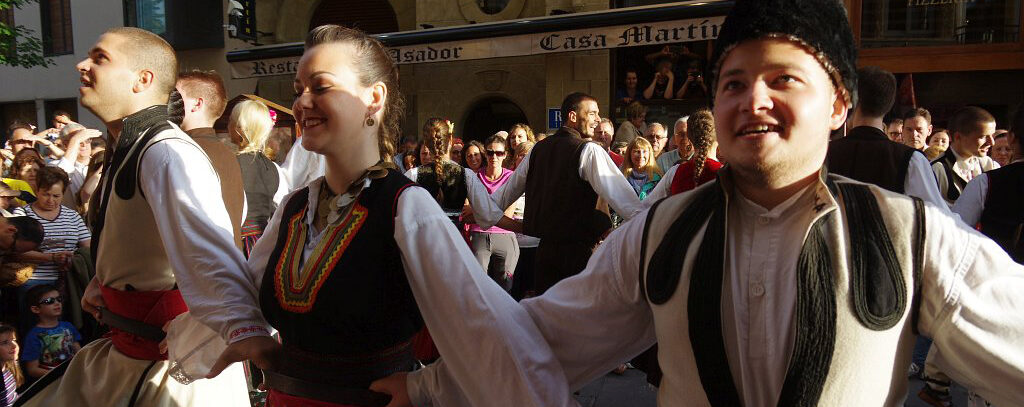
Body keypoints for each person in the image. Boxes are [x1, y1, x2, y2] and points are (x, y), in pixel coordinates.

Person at [382, 1, 1024, 406]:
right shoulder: (661, 234)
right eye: (735, 82)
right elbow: (543, 340)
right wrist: (425, 388)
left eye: (784, 79)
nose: (754, 100)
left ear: (837, 105)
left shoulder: (910, 235)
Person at [217, 24, 574, 407]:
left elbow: (491, 330)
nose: (302, 102)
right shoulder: (294, 208)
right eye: (298, 90)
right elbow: (241, 287)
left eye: (320, 87)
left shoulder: (406, 205)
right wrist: (245, 329)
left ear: (374, 98)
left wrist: (431, 385)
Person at [19, 27, 262, 407]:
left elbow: (214, 256)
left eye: (100, 58)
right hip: (131, 356)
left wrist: (235, 331)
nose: (82, 65)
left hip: (171, 374)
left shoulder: (166, 151)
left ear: (142, 80)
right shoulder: (135, 147)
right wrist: (109, 278)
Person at [488, 92, 644, 294]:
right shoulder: (589, 150)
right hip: (580, 256)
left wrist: (483, 212)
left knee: (548, 318)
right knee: (581, 319)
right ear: (572, 116)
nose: (597, 120)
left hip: (545, 255)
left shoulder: (537, 150)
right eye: (593, 113)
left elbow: (498, 200)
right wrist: (645, 226)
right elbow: (628, 204)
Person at [825, 66, 946, 209]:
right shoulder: (911, 160)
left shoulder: (823, 154)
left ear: (852, 101)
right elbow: (937, 216)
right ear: (888, 106)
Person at [11, 167, 91, 329]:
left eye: (56, 196)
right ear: (37, 190)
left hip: (69, 284)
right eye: (45, 194)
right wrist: (51, 258)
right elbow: (15, 250)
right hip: (34, 284)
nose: (50, 200)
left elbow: (87, 248)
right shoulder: (22, 214)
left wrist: (74, 258)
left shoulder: (72, 216)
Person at [176, 69, 247, 251]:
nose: (167, 103)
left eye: (175, 97)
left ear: (197, 104)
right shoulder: (224, 152)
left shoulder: (185, 150)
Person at [405, 118, 510, 229]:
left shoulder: (413, 175)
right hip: (453, 241)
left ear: (426, 143)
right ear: (450, 140)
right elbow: (488, 214)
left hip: (423, 242)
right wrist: (522, 228)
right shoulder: (466, 175)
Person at [228, 100, 287, 256]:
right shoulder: (274, 168)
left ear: (239, 128)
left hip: (238, 243)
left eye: (231, 121)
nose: (228, 126)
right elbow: (280, 206)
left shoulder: (231, 165)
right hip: (265, 243)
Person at [469, 135, 519, 290]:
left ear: (505, 154)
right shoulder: (475, 177)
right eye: (490, 153)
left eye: (499, 153)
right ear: (485, 154)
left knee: (505, 286)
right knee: (479, 286)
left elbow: (509, 213)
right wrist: (492, 211)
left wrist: (481, 210)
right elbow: (467, 212)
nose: (494, 157)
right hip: (479, 234)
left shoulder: (511, 177)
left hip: (506, 234)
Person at [647, 109, 723, 202]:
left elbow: (647, 205)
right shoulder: (727, 174)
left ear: (690, 138)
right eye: (680, 134)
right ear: (718, 138)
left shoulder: (675, 171)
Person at [931, 106, 1000, 207]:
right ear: (958, 137)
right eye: (983, 137)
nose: (991, 142)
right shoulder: (937, 169)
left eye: (992, 136)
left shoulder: (990, 166)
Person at [21, 284, 81, 380]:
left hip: (75, 374)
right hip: (53, 382)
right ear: (35, 309)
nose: (57, 303)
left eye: (59, 299)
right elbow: (32, 369)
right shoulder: (33, 336)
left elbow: (79, 353)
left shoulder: (68, 326)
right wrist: (60, 375)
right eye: (49, 301)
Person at [0, 323, 23, 406]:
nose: (14, 345)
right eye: (5, 342)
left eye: (14, 340)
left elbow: (13, 396)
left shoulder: (10, 365)